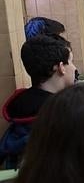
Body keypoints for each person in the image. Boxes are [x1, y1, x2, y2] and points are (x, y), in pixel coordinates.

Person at [0, 34, 76, 169]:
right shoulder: (63, 113)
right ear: (60, 67)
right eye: (70, 61)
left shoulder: (20, 107)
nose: (74, 68)